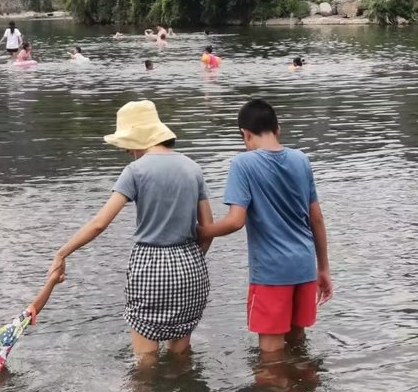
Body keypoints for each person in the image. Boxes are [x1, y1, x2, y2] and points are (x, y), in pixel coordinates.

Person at [50, 100, 213, 360]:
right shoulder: (193, 168)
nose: (126, 150)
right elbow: (207, 228)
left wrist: (63, 252)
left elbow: (99, 223)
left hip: (150, 266)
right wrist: (190, 259)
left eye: (127, 142)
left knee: (145, 361)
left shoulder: (135, 171)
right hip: (190, 267)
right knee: (181, 356)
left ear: (139, 136)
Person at [199, 99, 333, 358]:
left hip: (272, 273)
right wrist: (323, 268)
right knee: (297, 343)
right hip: (304, 267)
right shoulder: (301, 160)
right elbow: (316, 218)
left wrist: (202, 231)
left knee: (271, 356)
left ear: (245, 134)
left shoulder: (243, 164)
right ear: (277, 128)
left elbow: (235, 220)